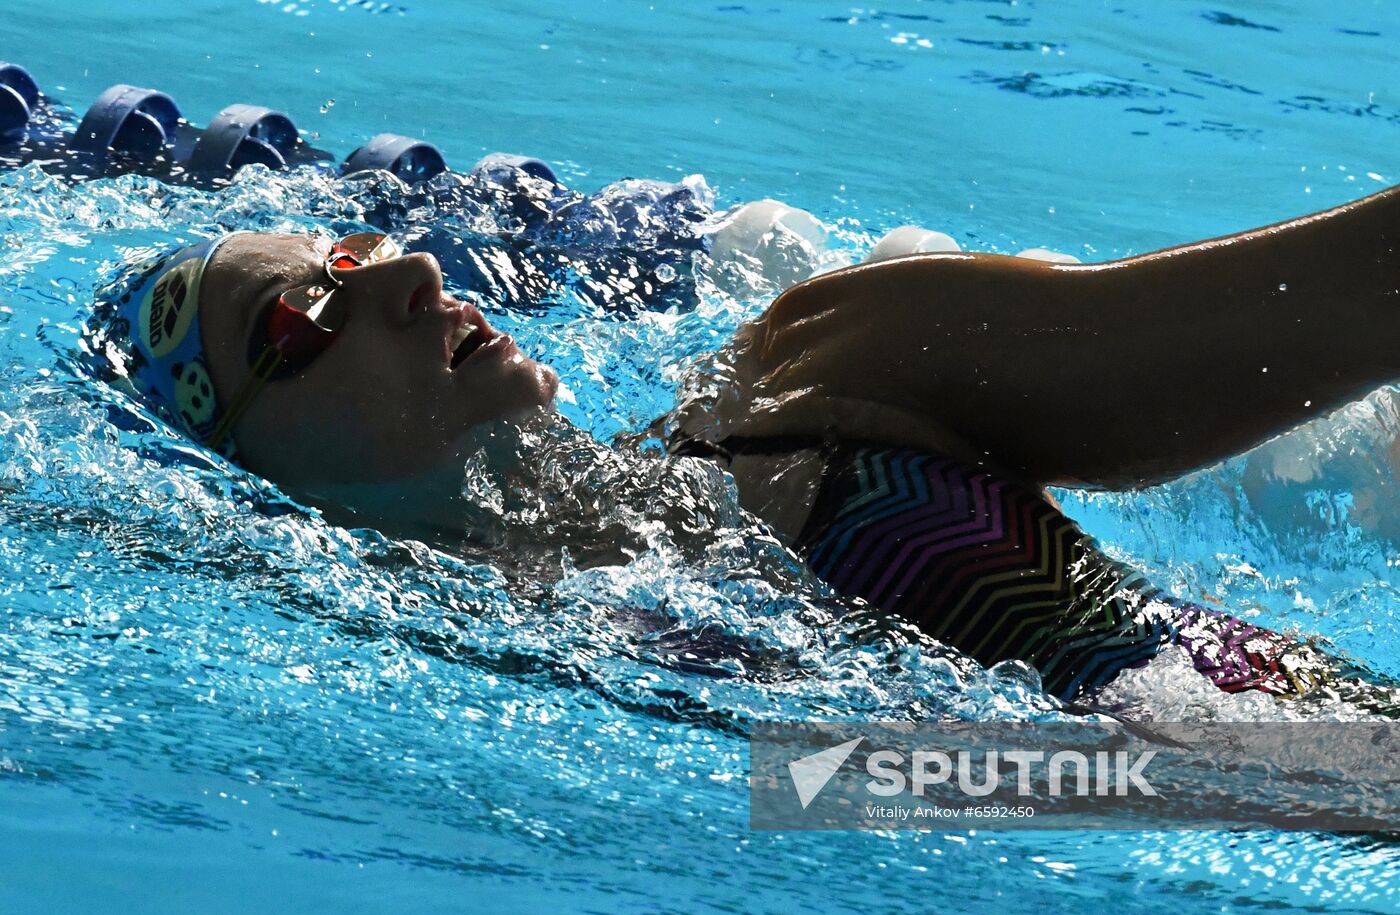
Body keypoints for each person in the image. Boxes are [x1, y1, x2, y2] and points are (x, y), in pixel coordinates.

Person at [85, 180, 1400, 717]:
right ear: (246, 482)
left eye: (359, 252)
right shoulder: (511, 687)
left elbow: (1370, 282)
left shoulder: (822, 377)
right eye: (304, 318)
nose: (414, 276)